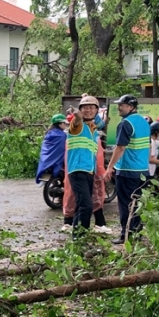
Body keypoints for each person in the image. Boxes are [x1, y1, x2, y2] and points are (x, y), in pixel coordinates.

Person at [105, 94, 151, 245]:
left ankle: (126, 234)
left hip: (127, 170)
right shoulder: (144, 122)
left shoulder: (125, 123)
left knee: (126, 204)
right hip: (143, 171)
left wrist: (110, 167)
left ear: (130, 107)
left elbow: (120, 148)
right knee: (137, 203)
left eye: (122, 105)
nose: (119, 107)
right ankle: (137, 233)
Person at [66, 94, 105, 237]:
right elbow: (76, 120)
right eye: (85, 108)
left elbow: (103, 122)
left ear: (96, 111)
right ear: (80, 110)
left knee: (81, 206)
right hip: (77, 170)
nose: (88, 110)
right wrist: (77, 115)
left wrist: (88, 98)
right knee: (87, 206)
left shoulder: (93, 129)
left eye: (91, 108)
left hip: (89, 171)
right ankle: (80, 237)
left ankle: (76, 238)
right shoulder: (78, 125)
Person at [35, 114, 68, 196]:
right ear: (60, 124)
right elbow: (63, 148)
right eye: (64, 123)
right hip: (57, 162)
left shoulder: (49, 133)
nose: (66, 125)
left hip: (46, 161)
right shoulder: (62, 135)